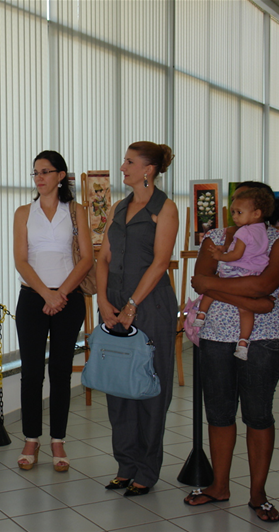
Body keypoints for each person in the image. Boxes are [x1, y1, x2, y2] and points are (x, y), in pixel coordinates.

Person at [183, 181, 279, 523]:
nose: (235, 211)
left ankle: (258, 493)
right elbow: (200, 281)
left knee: (258, 414)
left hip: (264, 339)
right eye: (234, 206)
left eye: (242, 205)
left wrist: (222, 288)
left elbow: (264, 285)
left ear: (261, 210)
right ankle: (219, 486)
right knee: (218, 413)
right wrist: (254, 301)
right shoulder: (214, 239)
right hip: (216, 335)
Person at [96, 141, 179, 496]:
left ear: (148, 169)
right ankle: (125, 465)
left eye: (129, 162)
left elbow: (161, 262)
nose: (122, 167)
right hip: (115, 307)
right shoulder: (119, 207)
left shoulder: (167, 209)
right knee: (119, 388)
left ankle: (147, 469)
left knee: (150, 389)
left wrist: (132, 305)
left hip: (151, 308)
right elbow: (103, 258)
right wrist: (102, 300)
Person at [13, 150, 93, 473]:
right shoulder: (23, 213)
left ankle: (57, 439)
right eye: (35, 173)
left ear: (61, 176)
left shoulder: (76, 212)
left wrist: (61, 293)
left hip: (68, 299)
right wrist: (46, 293)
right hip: (33, 299)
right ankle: (31, 438)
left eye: (45, 171)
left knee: (60, 371)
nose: (39, 178)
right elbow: (21, 260)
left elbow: (86, 258)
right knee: (32, 372)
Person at [194, 188, 275, 360]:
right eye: (233, 212)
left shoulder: (244, 231)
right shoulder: (263, 230)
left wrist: (220, 256)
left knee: (211, 288)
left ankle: (201, 315)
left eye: (239, 212)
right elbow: (247, 250)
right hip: (253, 272)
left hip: (237, 271)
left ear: (256, 213)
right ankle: (243, 342)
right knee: (246, 311)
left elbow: (236, 254)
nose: (235, 217)